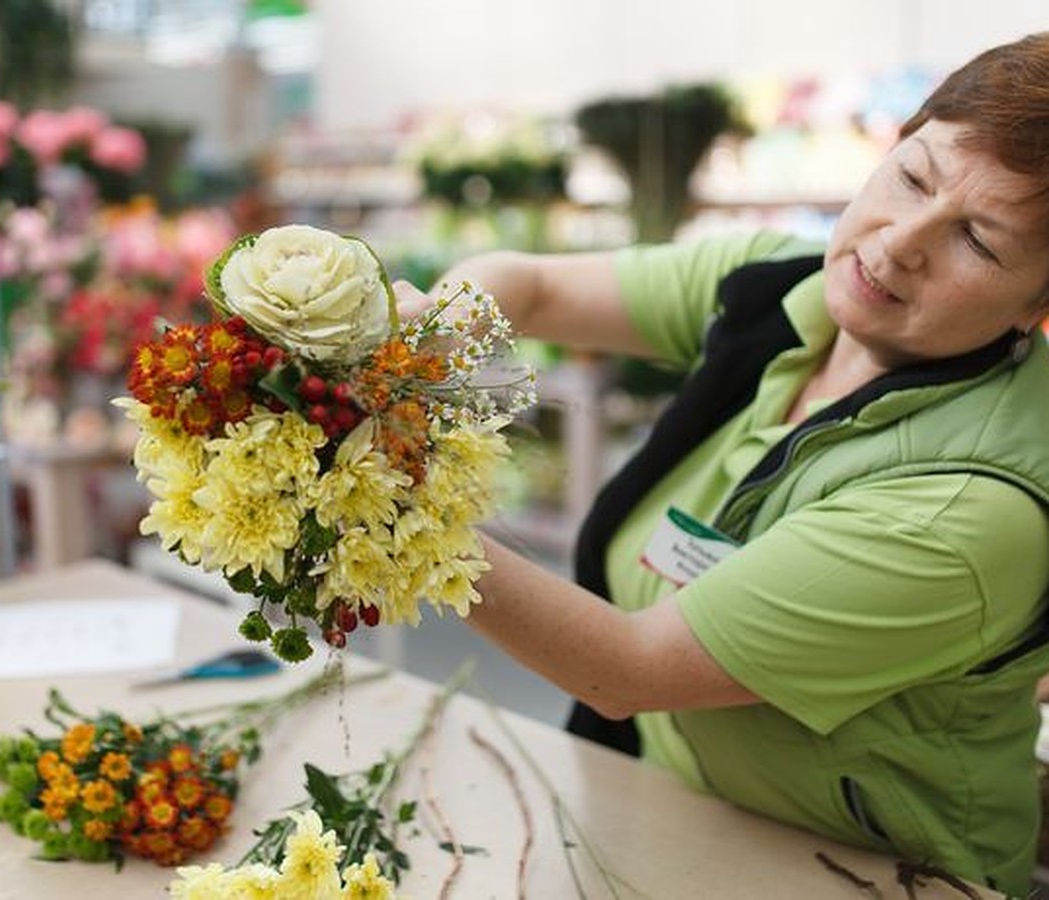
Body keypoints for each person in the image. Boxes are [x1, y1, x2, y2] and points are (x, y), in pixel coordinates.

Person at [395, 32, 1049, 897]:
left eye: (978, 240)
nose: (897, 245)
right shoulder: (784, 290)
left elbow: (627, 669)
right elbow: (529, 285)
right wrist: (430, 350)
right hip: (672, 810)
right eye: (914, 177)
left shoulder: (964, 511)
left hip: (867, 875)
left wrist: (395, 517)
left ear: (1039, 301)